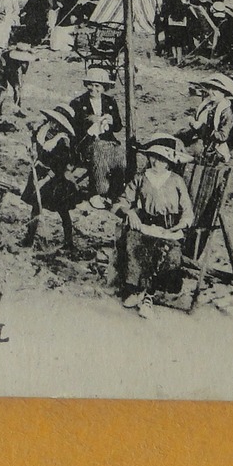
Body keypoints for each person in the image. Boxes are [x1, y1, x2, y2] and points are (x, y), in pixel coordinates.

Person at [114, 136, 194, 309]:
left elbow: (187, 210)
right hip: (147, 224)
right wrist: (130, 212)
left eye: (162, 159)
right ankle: (137, 291)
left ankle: (149, 294)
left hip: (170, 228)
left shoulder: (176, 180)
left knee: (167, 251)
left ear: (169, 162)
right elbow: (122, 200)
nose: (157, 162)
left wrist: (180, 225)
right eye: (154, 157)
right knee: (134, 243)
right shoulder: (141, 178)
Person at [21, 103, 86, 251]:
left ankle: (69, 242)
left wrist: (44, 180)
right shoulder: (42, 131)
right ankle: (29, 238)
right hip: (39, 171)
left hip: (55, 179)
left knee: (62, 210)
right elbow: (34, 145)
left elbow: (60, 166)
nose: (52, 124)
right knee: (36, 206)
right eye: (51, 119)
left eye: (57, 122)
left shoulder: (63, 141)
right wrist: (32, 153)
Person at [69, 66, 126, 209]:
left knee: (120, 155)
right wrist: (88, 121)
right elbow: (72, 129)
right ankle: (98, 193)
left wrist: (111, 120)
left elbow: (118, 127)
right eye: (90, 85)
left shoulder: (110, 102)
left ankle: (115, 193)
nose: (93, 89)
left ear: (104, 87)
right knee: (99, 153)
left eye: (97, 85)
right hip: (86, 143)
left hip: (108, 141)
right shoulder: (78, 102)